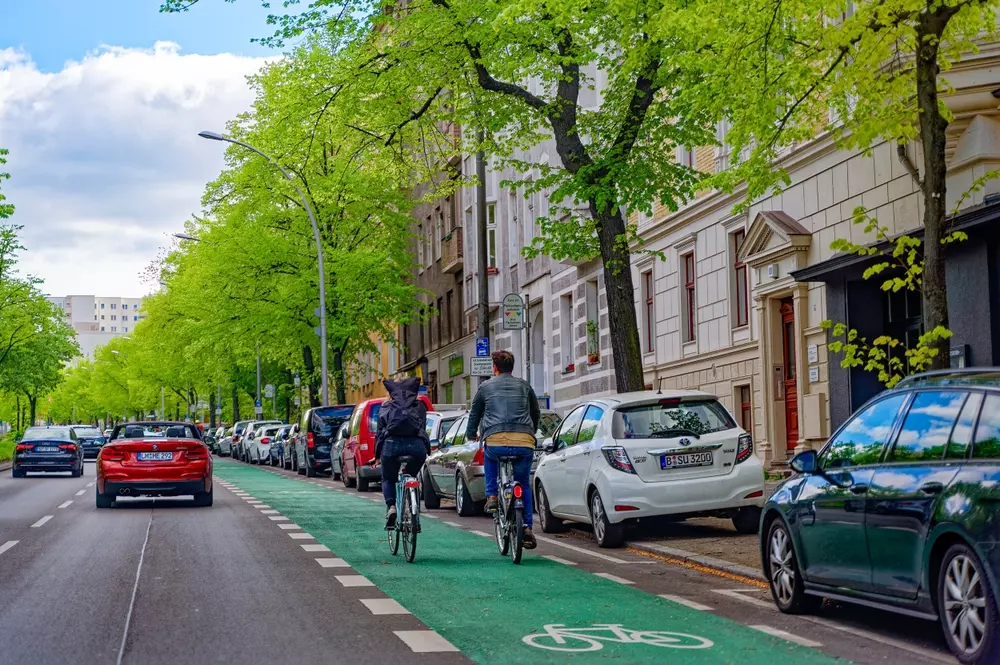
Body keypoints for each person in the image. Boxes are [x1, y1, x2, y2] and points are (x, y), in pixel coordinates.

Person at [466, 350, 540, 549]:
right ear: (512, 367)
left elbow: (475, 413)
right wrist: (532, 430)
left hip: (496, 439)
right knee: (523, 483)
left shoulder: (485, 387)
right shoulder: (525, 386)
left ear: (495, 368)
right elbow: (535, 411)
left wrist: (471, 433)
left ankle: (491, 496)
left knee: (489, 457)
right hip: (524, 441)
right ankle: (526, 527)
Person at [373, 376, 430, 529]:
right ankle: (413, 512)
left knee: (388, 478)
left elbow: (379, 434)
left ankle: (391, 507)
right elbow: (422, 428)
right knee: (411, 475)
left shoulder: (386, 407)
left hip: (391, 447)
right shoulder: (420, 406)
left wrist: (377, 456)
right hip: (416, 448)